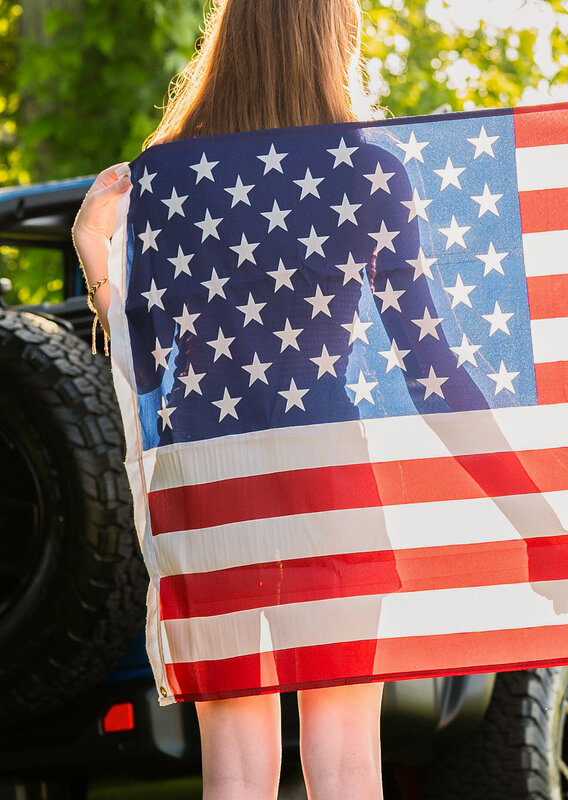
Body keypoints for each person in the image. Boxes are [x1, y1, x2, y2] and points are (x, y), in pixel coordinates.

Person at [71, 2, 388, 798]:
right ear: (331, 34)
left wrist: (97, 261)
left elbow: (147, 363)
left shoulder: (168, 172)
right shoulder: (366, 165)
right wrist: (534, 506)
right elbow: (431, 361)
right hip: (329, 471)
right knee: (347, 756)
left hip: (207, 477)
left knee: (236, 770)